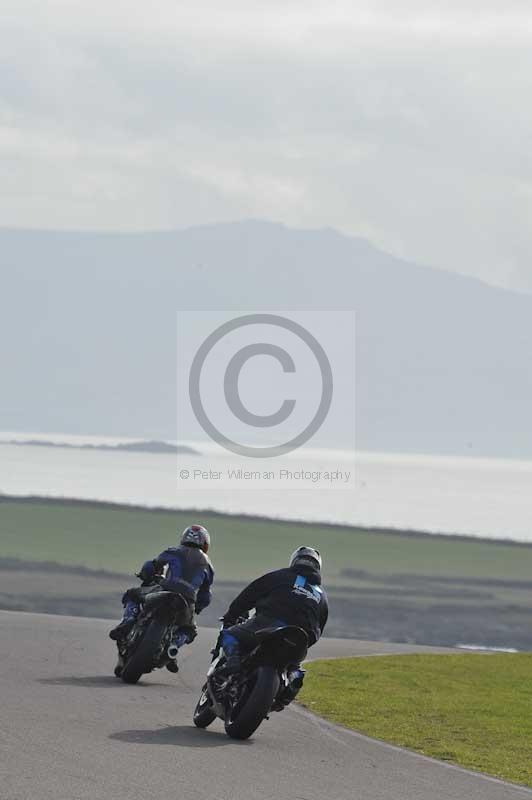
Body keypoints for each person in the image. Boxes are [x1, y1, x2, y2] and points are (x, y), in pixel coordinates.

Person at [219, 546, 328, 702]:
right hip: (300, 638)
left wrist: (231, 615)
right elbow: (319, 628)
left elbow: (249, 594)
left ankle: (233, 662)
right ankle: (293, 681)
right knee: (294, 665)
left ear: (295, 560)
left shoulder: (280, 576)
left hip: (268, 624)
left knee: (229, 634)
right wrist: (306, 641)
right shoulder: (322, 595)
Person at [109, 524, 214, 671]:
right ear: (205, 544)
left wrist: (145, 574)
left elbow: (151, 566)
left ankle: (128, 621)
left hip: (164, 589)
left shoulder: (173, 551)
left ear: (183, 538)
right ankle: (173, 647)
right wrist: (199, 606)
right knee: (189, 630)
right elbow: (205, 595)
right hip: (187, 601)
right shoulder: (208, 565)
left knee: (132, 594)